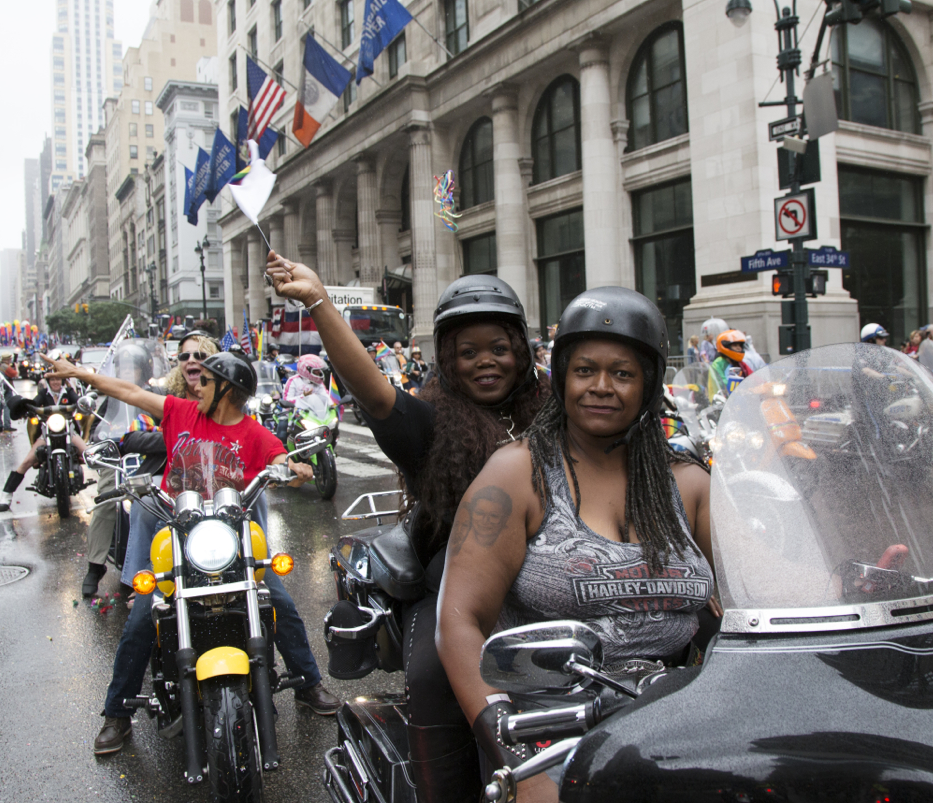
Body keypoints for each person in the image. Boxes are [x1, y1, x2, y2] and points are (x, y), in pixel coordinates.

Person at [266, 250, 547, 803]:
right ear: (446, 359)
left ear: (521, 352)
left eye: (498, 348)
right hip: (451, 591)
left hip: (554, 578)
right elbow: (373, 392)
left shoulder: (554, 415)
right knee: (433, 678)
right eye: (468, 353)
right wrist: (320, 303)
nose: (486, 362)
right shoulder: (430, 424)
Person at [436, 288, 716, 803]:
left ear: (649, 384)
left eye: (623, 373)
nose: (601, 387)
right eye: (585, 370)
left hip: (678, 720)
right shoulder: (517, 473)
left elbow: (749, 604)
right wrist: (517, 760)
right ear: (562, 377)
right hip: (545, 726)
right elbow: (459, 622)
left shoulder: (689, 484)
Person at [39, 348, 338, 754]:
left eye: (207, 381)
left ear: (228, 391)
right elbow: (127, 391)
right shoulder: (180, 412)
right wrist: (78, 373)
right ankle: (117, 713)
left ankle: (307, 683)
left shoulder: (254, 434)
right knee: (145, 616)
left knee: (278, 603)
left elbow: (279, 459)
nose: (196, 385)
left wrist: (296, 470)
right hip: (179, 537)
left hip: (231, 542)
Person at [82, 338, 166, 595]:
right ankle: (95, 566)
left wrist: (144, 440)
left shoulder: (156, 396)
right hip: (119, 460)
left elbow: (169, 430)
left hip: (150, 460)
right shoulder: (113, 398)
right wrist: (103, 439)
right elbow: (97, 430)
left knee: (163, 502)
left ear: (143, 370)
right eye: (122, 369)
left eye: (132, 368)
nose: (126, 373)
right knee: (105, 501)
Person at [0, 374, 87, 511]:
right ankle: (6, 496)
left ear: (62, 380)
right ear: (48, 381)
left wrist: (85, 402)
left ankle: (109, 487)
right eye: (52, 379)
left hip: (68, 432)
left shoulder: (69, 392)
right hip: (47, 433)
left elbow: (79, 401)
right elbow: (35, 403)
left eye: (58, 379)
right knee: (27, 461)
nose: (55, 382)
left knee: (90, 453)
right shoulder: (43, 393)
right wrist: (25, 405)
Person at [709, 329, 751, 397]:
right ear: (725, 345)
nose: (739, 348)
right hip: (724, 401)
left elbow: (753, 377)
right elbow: (721, 384)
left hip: (742, 399)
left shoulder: (741, 363)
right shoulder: (718, 363)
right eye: (735, 345)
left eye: (740, 345)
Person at [0, 355, 16, 432]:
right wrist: (17, 367)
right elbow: (15, 374)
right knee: (7, 406)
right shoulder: (5, 366)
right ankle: (7, 426)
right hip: (6, 387)